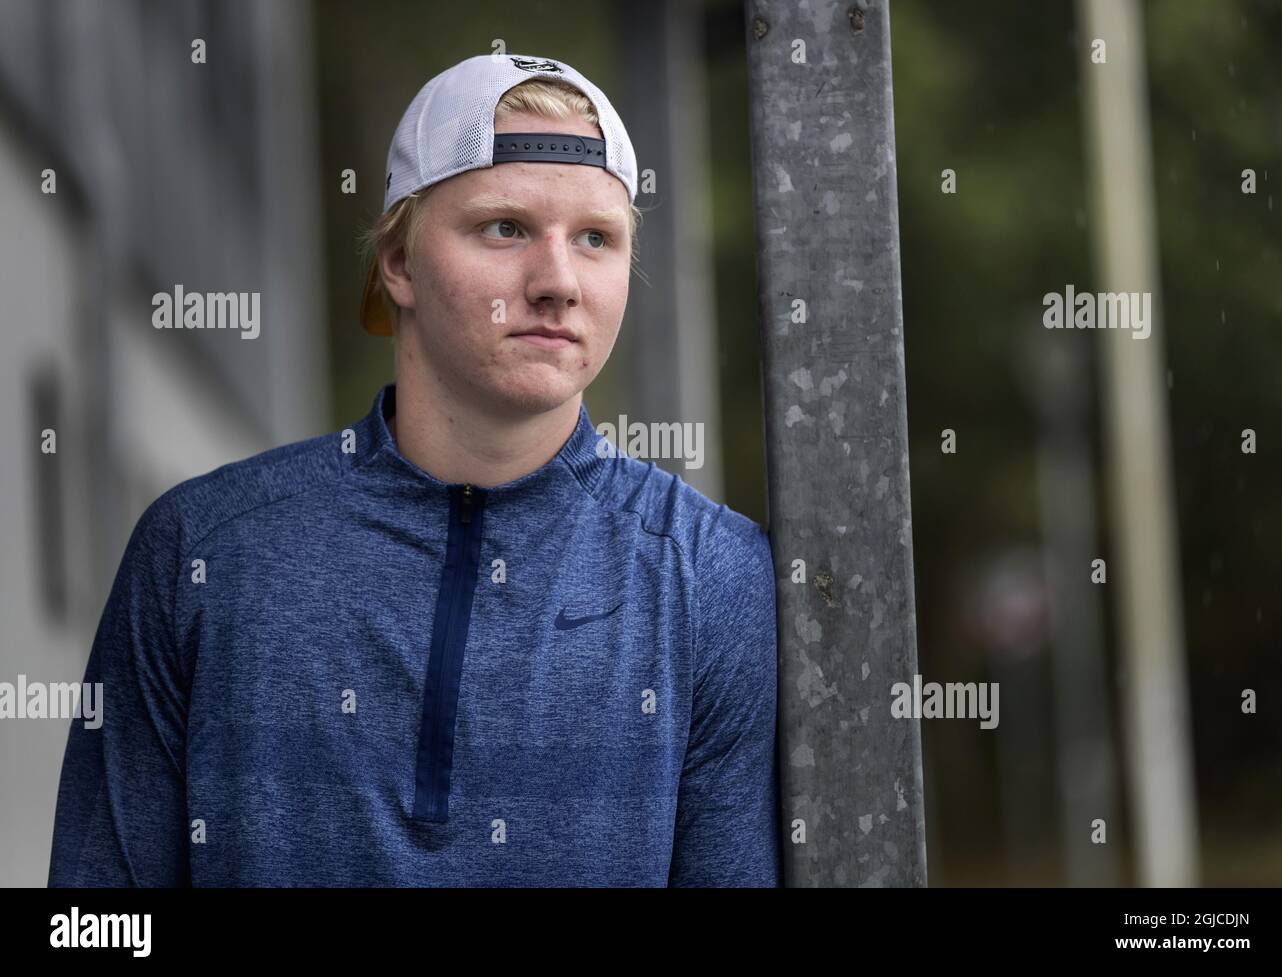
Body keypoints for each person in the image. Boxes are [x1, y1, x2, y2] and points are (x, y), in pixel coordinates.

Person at [47, 53, 780, 887]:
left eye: (595, 238)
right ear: (398, 264)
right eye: (504, 228)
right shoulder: (200, 553)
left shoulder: (715, 577)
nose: (557, 282)